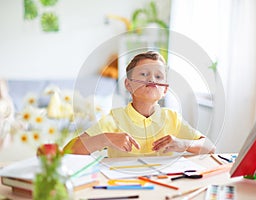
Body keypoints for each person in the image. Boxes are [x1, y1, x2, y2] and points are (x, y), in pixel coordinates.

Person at [64, 51, 215, 157]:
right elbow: (69, 150)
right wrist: (105, 138)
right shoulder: (114, 118)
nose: (152, 79)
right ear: (128, 85)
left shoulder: (172, 118)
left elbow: (210, 147)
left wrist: (183, 144)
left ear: (165, 90)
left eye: (158, 76)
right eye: (144, 74)